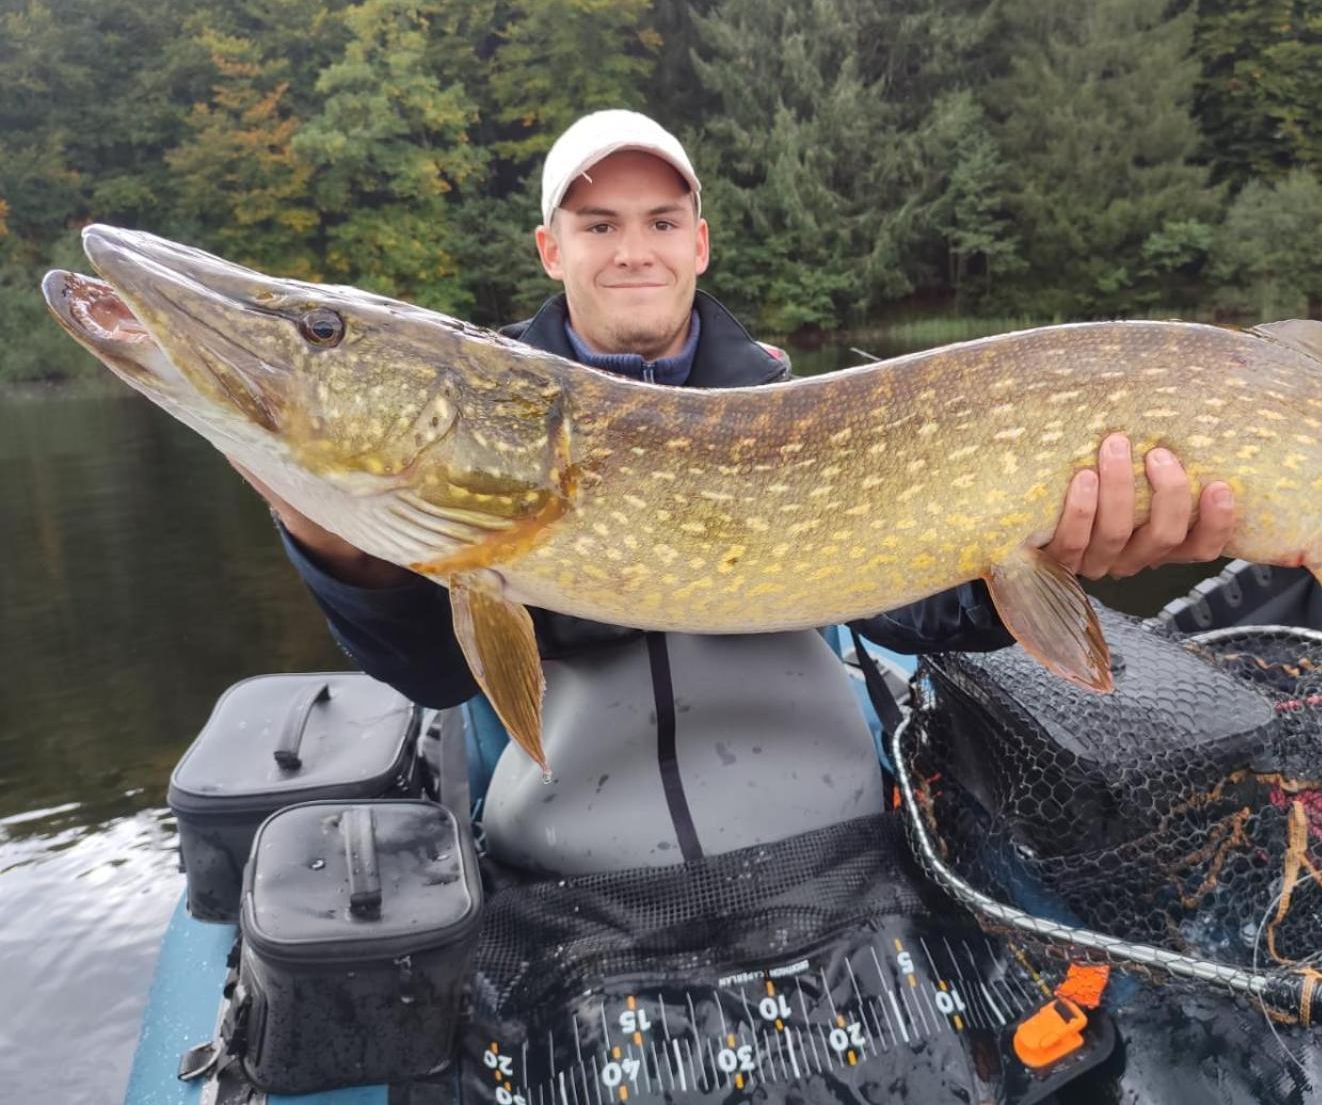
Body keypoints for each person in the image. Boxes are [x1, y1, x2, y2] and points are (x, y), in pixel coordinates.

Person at [234, 109, 1235, 874]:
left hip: (832, 840)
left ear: (698, 244)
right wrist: (329, 542)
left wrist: (1046, 563)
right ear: (552, 249)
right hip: (571, 864)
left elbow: (912, 606)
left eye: (661, 220)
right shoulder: (491, 424)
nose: (634, 248)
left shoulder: (790, 406)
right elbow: (437, 677)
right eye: (598, 224)